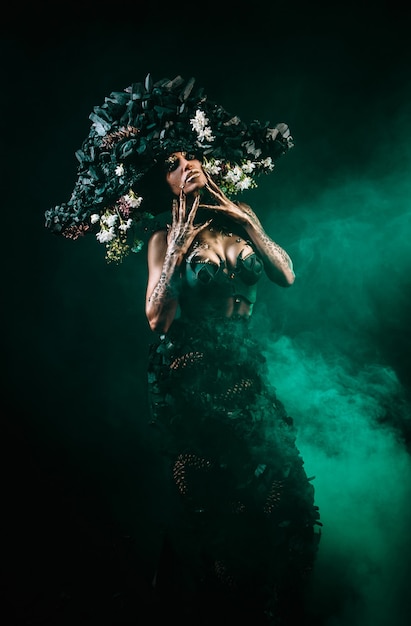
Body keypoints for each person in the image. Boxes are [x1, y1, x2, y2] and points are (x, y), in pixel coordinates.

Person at [45, 74, 321, 625]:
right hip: (190, 374)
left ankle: (278, 606)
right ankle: (227, 606)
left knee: (286, 496)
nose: (185, 165)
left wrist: (247, 222)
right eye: (171, 163)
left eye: (189, 155)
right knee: (222, 505)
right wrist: (173, 252)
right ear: (162, 181)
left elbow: (286, 275)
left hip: (244, 366)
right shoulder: (158, 239)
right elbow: (156, 318)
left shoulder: (240, 219)